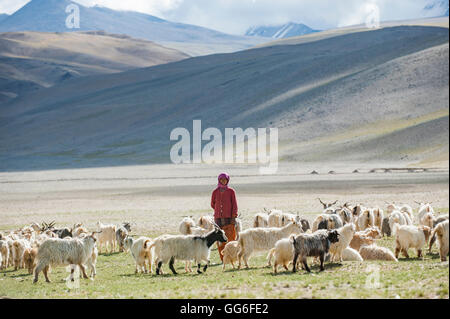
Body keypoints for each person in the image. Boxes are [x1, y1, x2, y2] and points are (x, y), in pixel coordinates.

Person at [210, 172, 238, 261]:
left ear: (227, 180)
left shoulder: (231, 191)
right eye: (221, 180)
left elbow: (234, 205)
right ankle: (223, 259)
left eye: (225, 180)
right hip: (218, 219)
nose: (223, 181)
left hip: (229, 219)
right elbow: (212, 204)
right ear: (219, 180)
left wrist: (233, 216)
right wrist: (219, 210)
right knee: (220, 239)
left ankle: (232, 258)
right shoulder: (215, 192)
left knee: (230, 238)